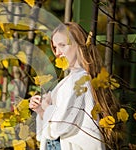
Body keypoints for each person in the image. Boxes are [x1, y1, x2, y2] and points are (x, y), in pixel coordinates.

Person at [29, 22, 118, 150]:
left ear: (78, 45)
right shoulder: (68, 80)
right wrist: (40, 110)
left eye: (62, 45)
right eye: (55, 47)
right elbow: (47, 132)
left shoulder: (81, 80)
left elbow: (59, 126)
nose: (58, 52)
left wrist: (46, 107)